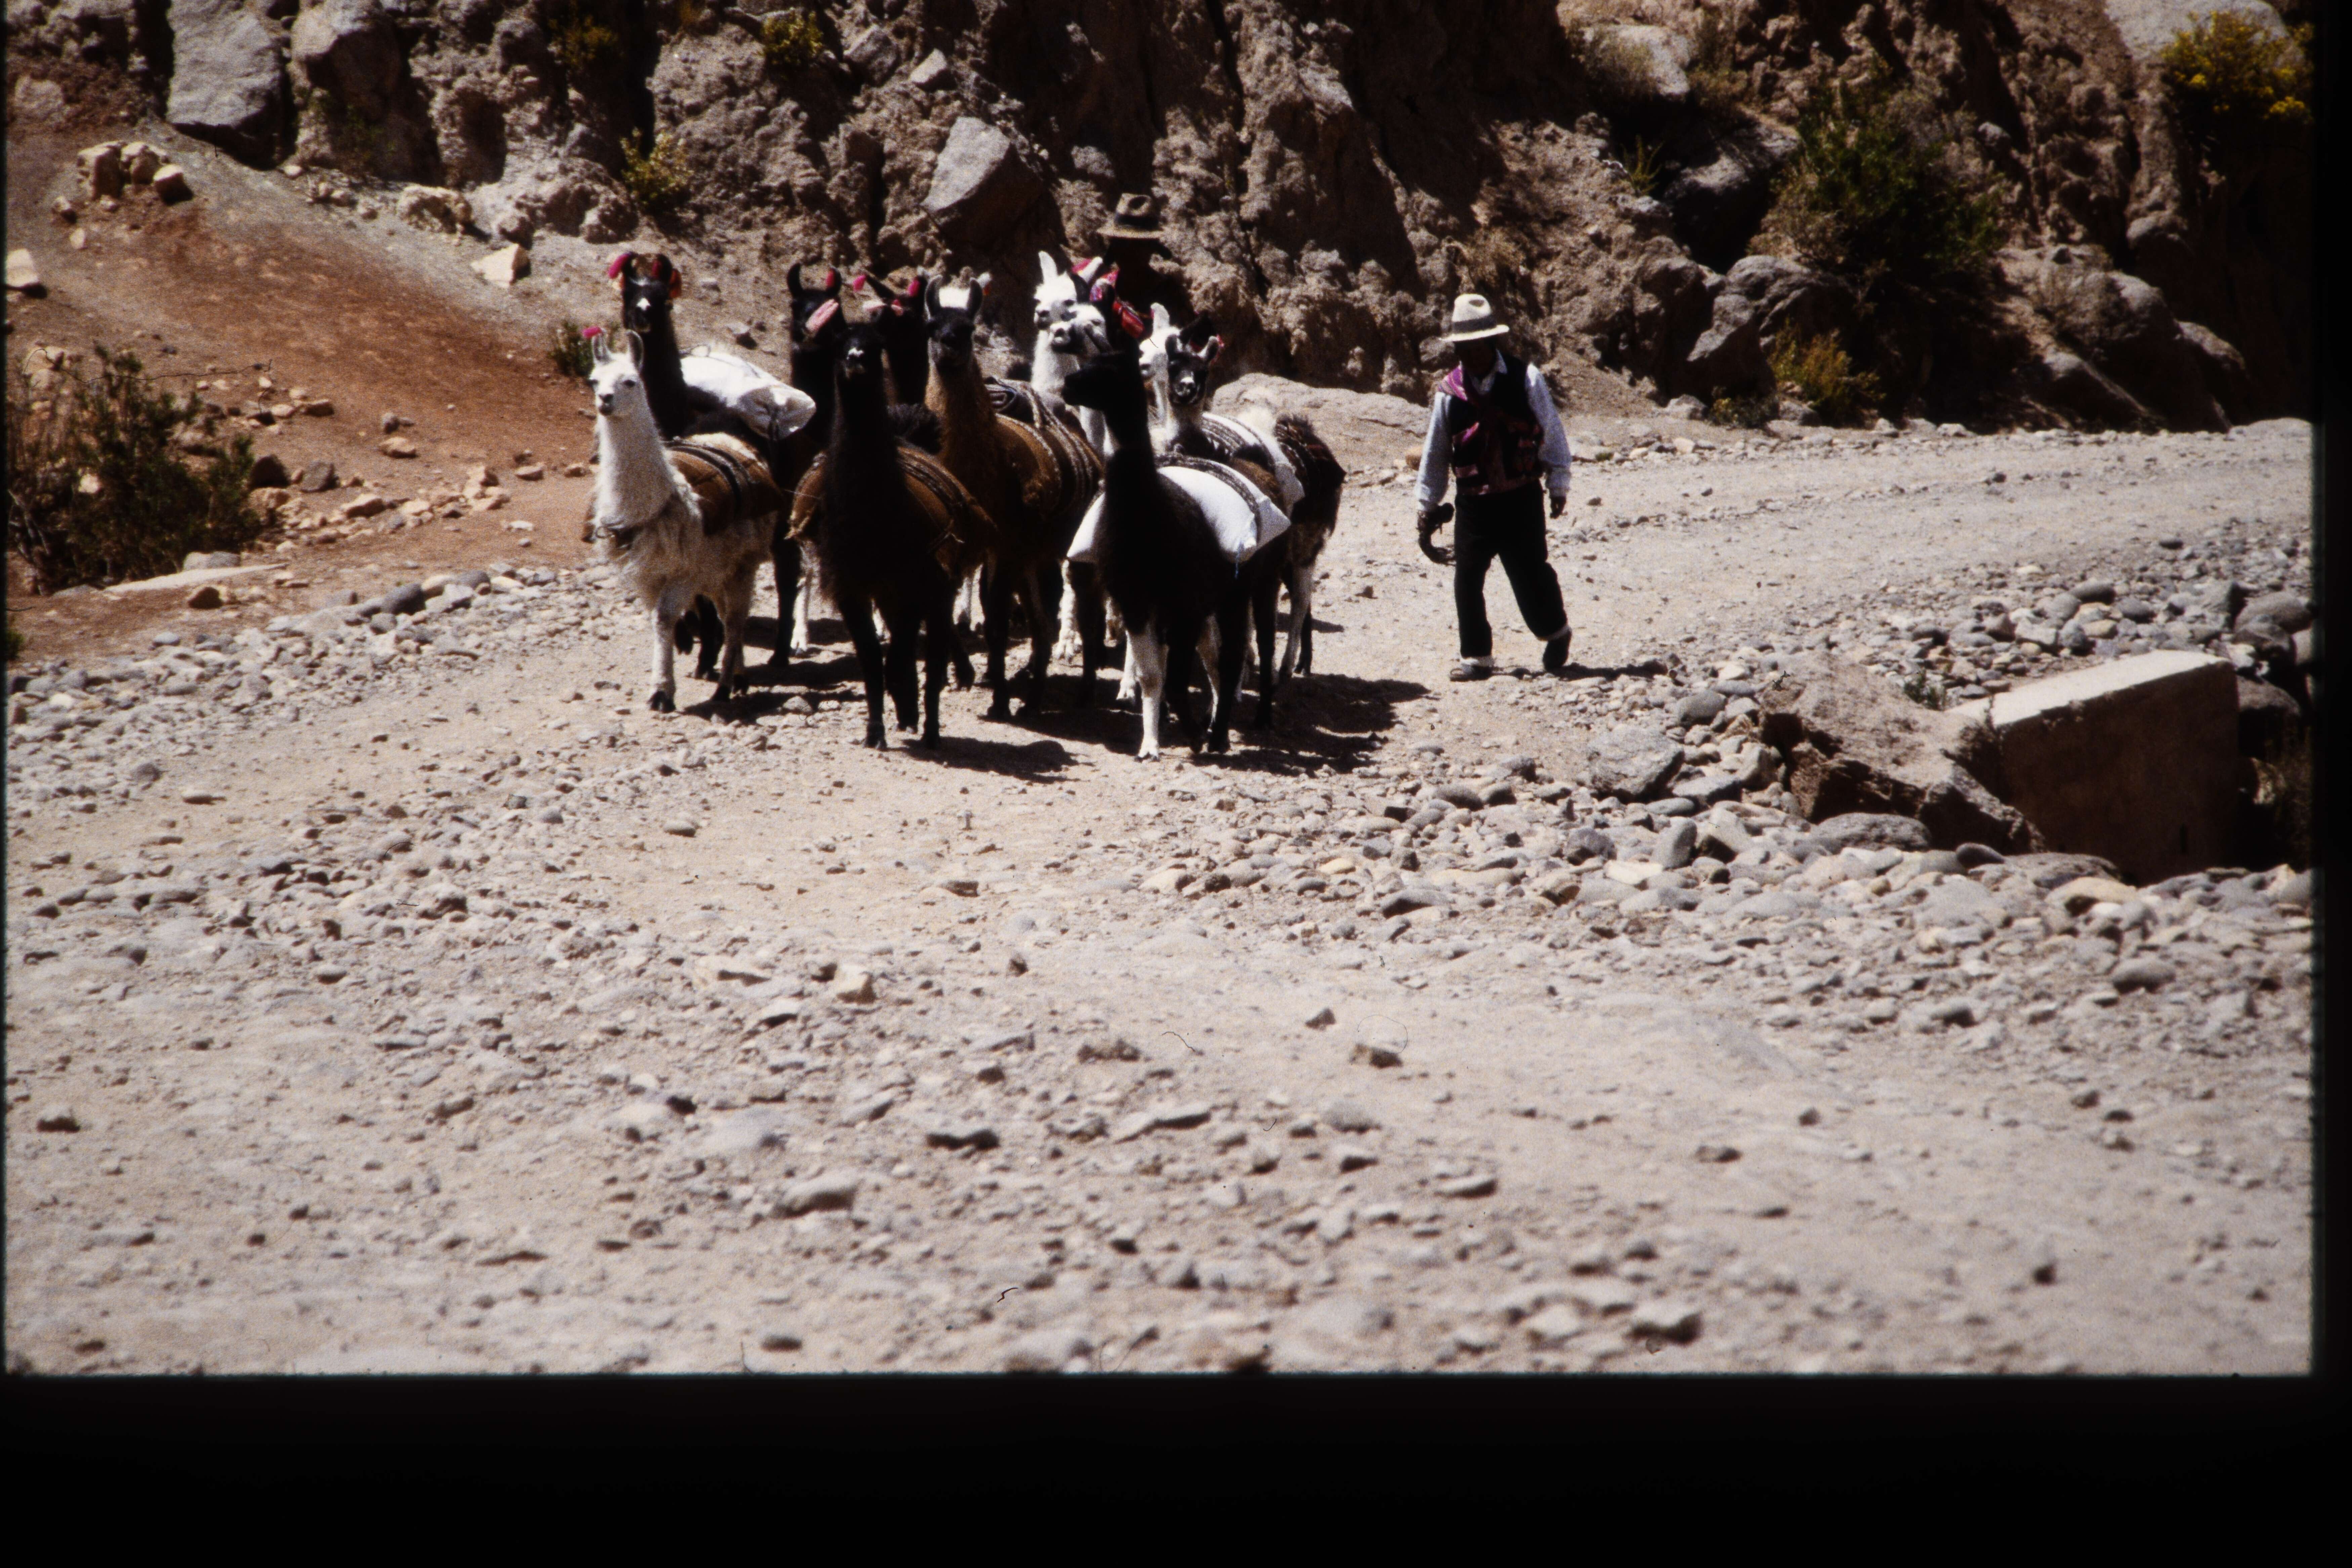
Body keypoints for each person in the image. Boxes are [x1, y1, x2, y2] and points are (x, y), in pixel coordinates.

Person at [1414, 293, 1575, 681]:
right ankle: (1476, 657)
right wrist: (1426, 504)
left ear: (1491, 342)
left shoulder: (1525, 378)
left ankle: (1556, 631)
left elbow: (1551, 431)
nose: (1470, 355)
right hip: (1474, 503)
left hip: (1521, 496)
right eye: (1463, 348)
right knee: (1467, 576)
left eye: (1477, 346)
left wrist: (1558, 482)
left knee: (1530, 571)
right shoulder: (1448, 393)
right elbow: (1436, 452)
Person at [1093, 192, 1191, 320]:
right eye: (1122, 244)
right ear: (1113, 248)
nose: (1129, 253)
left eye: (1138, 245)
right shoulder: (1103, 289)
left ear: (1153, 248)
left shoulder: (1170, 293)